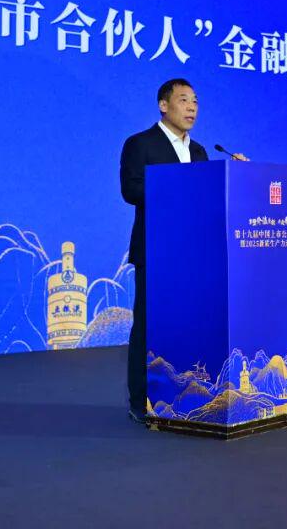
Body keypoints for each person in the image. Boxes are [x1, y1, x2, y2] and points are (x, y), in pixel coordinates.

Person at [119, 78, 246, 423]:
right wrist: (177, 187)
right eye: (184, 100)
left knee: (189, 325)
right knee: (147, 327)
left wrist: (236, 177)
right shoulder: (140, 143)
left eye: (195, 102)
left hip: (194, 255)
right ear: (163, 105)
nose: (192, 107)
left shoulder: (200, 151)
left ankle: (182, 399)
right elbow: (131, 190)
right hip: (156, 251)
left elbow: (207, 198)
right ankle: (140, 401)